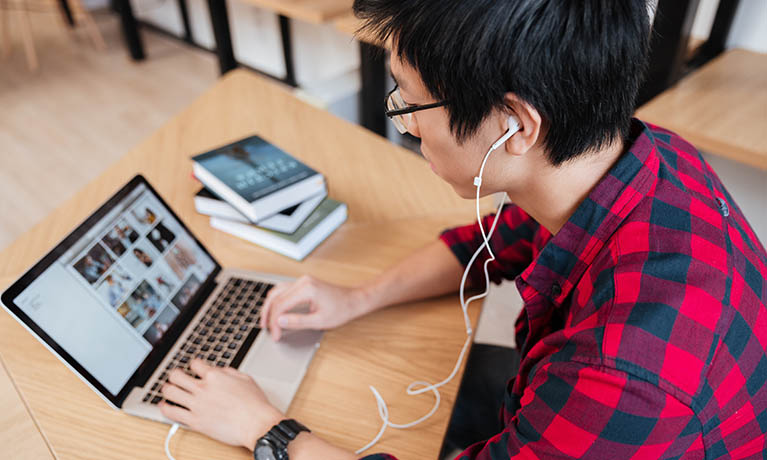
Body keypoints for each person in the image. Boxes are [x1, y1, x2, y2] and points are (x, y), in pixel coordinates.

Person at [159, 1, 767, 459]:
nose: (405, 124)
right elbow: (497, 242)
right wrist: (357, 298)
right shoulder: (641, 156)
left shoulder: (623, 375)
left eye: (412, 102)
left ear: (514, 124)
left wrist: (266, 431)